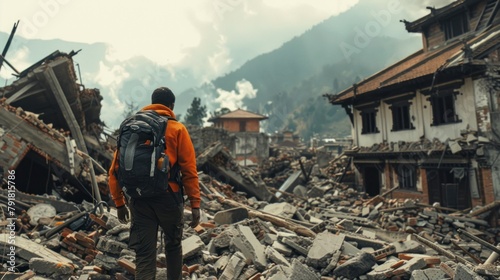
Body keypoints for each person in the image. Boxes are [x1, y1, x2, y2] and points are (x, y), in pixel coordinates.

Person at [108, 87, 201, 280]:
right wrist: (195, 204)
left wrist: (119, 203)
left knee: (144, 254)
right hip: (168, 197)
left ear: (152, 102)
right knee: (173, 246)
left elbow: (115, 170)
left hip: (139, 199)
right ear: (171, 106)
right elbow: (189, 171)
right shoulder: (177, 129)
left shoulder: (133, 128)